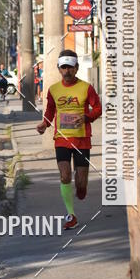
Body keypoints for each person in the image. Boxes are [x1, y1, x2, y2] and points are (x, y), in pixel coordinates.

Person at [36, 50, 102, 229]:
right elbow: (50, 111)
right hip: (62, 139)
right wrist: (44, 124)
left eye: (70, 68)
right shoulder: (53, 90)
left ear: (77, 68)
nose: (67, 71)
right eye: (63, 68)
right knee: (65, 176)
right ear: (58, 69)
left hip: (82, 139)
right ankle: (71, 215)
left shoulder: (86, 88)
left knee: (81, 184)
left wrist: (87, 117)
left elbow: (97, 108)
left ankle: (81, 187)